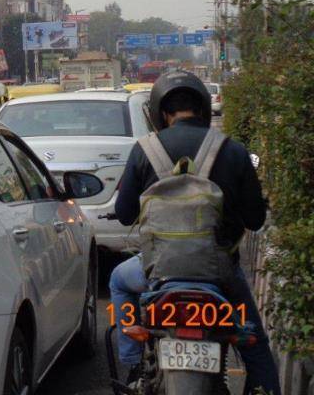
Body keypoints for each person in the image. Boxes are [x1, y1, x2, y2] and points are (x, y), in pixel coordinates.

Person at [109, 70, 279, 395]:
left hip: (157, 277)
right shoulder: (233, 150)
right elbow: (256, 220)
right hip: (222, 279)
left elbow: (124, 213)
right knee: (254, 344)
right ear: (202, 109)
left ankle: (132, 366)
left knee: (118, 280)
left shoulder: (144, 150)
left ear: (160, 112)